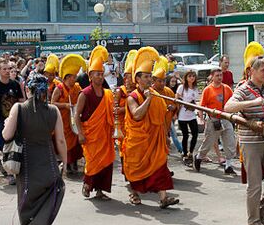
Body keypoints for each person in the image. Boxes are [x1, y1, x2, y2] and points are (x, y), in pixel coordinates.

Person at [3, 75, 67, 225]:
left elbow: (6, 135)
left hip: (27, 168)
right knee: (47, 202)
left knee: (27, 205)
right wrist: (65, 162)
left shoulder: (18, 108)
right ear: (45, 90)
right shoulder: (53, 110)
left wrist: (7, 123)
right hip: (48, 164)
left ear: (27, 89)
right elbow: (61, 141)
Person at [224, 42, 264, 225]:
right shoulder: (242, 89)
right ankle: (253, 221)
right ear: (251, 71)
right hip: (250, 141)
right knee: (255, 184)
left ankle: (262, 212)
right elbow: (228, 107)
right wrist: (251, 102)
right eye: (262, 70)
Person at [124, 47, 179, 208]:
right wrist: (147, 100)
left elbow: (161, 115)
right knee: (136, 169)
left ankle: (163, 198)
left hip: (155, 139)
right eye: (146, 77)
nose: (150, 80)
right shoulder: (132, 97)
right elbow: (137, 115)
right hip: (138, 141)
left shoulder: (154, 94)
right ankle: (134, 194)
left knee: (160, 165)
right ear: (138, 79)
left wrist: (166, 132)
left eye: (150, 76)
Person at [75, 46, 116, 200]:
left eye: (101, 74)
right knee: (92, 161)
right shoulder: (85, 93)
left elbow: (111, 112)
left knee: (106, 161)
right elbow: (76, 115)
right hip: (90, 133)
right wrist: (80, 133)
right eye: (96, 74)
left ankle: (100, 190)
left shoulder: (107, 93)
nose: (100, 77)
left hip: (104, 133)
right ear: (90, 76)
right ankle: (87, 184)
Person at [194, 67, 237, 175]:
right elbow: (202, 106)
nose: (219, 77)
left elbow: (233, 102)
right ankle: (199, 157)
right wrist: (201, 118)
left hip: (226, 118)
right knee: (208, 142)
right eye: (217, 75)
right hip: (213, 120)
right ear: (212, 77)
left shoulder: (227, 88)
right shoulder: (208, 90)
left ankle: (228, 165)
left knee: (230, 141)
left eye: (220, 75)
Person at [0, 61, 25, 170]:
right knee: (2, 144)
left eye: (9, 69)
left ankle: (15, 165)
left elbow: (21, 101)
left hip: (14, 119)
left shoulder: (15, 84)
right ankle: (6, 167)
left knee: (15, 142)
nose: (7, 71)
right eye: (5, 69)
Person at [52, 54, 85, 174]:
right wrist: (65, 105)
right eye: (73, 77)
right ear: (67, 77)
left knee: (76, 140)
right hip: (64, 119)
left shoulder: (77, 87)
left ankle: (74, 162)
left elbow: (82, 97)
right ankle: (68, 164)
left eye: (75, 76)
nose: (75, 79)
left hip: (75, 118)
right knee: (66, 141)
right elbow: (52, 103)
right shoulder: (59, 88)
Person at [176, 71, 200, 164]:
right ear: (186, 78)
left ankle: (191, 152)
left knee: (195, 133)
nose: (192, 78)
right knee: (185, 135)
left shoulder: (195, 88)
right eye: (190, 76)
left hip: (192, 114)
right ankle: (185, 153)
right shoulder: (181, 87)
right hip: (182, 115)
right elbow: (176, 98)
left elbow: (195, 99)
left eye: (193, 76)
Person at [166, 74, 184, 156]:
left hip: (173, 114)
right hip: (166, 116)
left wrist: (179, 78)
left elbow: (185, 85)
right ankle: (182, 150)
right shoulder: (165, 91)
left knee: (170, 133)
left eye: (174, 81)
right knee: (173, 134)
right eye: (172, 81)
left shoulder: (176, 90)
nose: (173, 83)